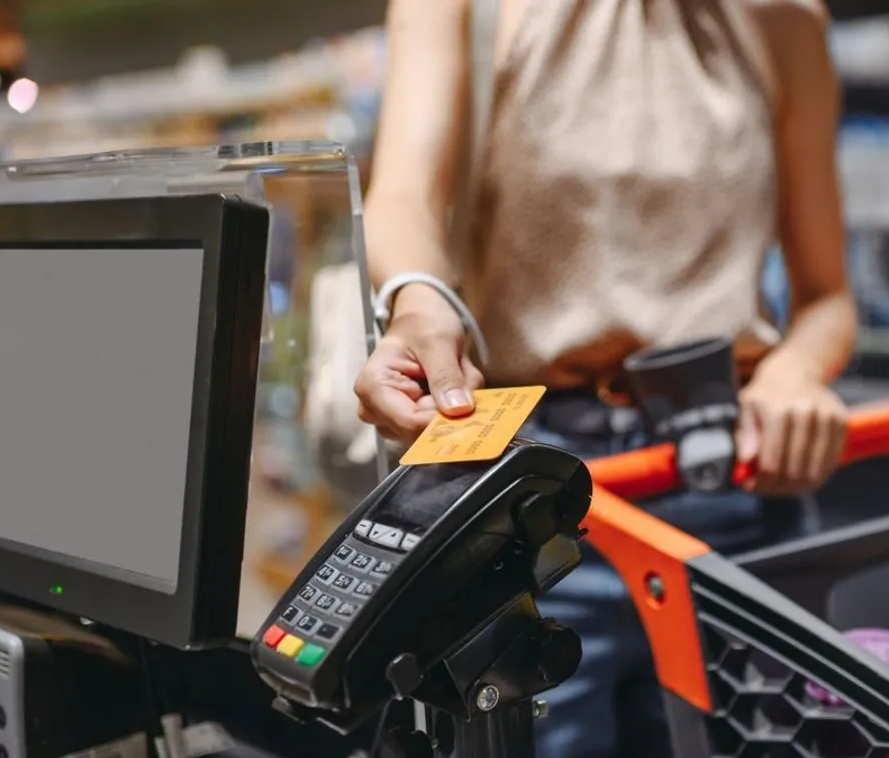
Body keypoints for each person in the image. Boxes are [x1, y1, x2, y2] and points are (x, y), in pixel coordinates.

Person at [354, 1, 856, 755]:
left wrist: (794, 371)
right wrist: (418, 301)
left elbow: (828, 298)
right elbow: (402, 199)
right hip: (529, 489)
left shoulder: (779, 17)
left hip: (735, 487)